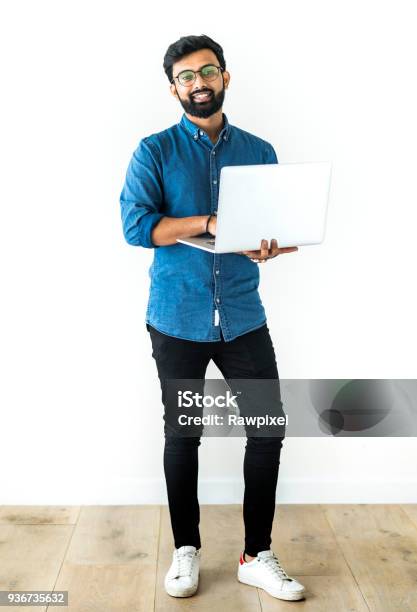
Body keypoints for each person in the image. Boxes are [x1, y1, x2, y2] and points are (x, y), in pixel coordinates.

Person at [119, 34, 306, 602]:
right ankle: (185, 550)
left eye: (207, 72)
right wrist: (208, 221)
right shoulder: (153, 151)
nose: (198, 83)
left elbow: (262, 228)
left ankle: (257, 553)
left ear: (226, 77)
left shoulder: (260, 150)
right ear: (174, 88)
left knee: (267, 432)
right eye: (186, 76)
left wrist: (264, 245)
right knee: (185, 434)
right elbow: (135, 228)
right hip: (177, 317)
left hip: (244, 316)